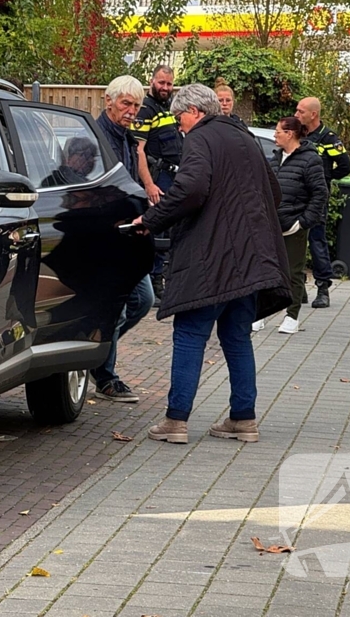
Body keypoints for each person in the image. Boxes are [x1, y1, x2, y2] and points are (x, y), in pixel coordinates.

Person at [132, 84, 290, 444]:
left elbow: (191, 189)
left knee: (190, 332)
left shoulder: (200, 139)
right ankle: (243, 419)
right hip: (250, 260)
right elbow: (274, 192)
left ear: (195, 112)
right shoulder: (245, 137)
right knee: (237, 336)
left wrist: (152, 220)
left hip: (212, 258)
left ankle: (176, 421)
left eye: (179, 118)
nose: (178, 126)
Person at [93, 75, 154, 402]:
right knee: (116, 308)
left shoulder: (129, 140)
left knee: (142, 300)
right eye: (125, 104)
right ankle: (105, 375)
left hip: (127, 236)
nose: (131, 111)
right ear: (108, 101)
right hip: (103, 237)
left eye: (136, 105)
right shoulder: (93, 137)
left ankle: (95, 354)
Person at [254, 117, 329, 335]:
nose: (275, 135)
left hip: (293, 226)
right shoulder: (276, 158)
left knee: (292, 272)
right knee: (266, 270)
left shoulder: (310, 160)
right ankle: (261, 313)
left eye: (278, 131)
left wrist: (303, 221)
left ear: (290, 133)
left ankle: (292, 315)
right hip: (271, 225)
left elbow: (320, 193)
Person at [294, 97, 350, 309]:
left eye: (300, 112)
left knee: (317, 241)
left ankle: (322, 288)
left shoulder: (328, 138)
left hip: (316, 197)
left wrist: (325, 177)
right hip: (296, 195)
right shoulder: (296, 134)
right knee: (294, 241)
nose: (296, 115)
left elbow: (345, 166)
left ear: (313, 115)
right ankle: (298, 288)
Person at [132, 65, 183, 307]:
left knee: (168, 233)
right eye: (161, 83)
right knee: (155, 232)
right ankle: (153, 283)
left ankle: (162, 279)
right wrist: (149, 184)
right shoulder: (145, 109)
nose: (165, 88)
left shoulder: (169, 109)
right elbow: (139, 150)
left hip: (172, 178)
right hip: (157, 178)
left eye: (169, 84)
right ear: (151, 81)